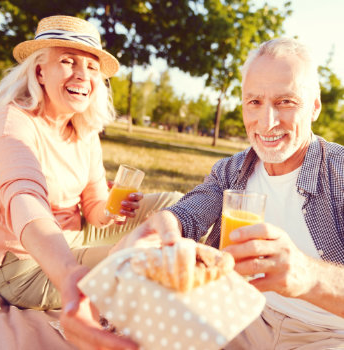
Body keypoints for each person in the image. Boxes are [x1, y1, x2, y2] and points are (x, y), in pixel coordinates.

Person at [136, 37, 344, 349]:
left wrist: (308, 277)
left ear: (314, 107)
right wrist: (167, 224)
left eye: (286, 102)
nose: (267, 122)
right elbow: (188, 214)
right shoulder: (232, 170)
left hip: (327, 335)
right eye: (255, 102)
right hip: (242, 315)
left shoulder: (339, 172)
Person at [0, 15, 182, 350]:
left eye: (92, 66)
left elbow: (94, 206)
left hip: (76, 234)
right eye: (67, 61)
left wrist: (112, 211)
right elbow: (24, 195)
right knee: (136, 262)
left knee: (176, 207)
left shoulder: (84, 129)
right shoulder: (13, 121)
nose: (82, 74)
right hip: (23, 263)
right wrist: (67, 272)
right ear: (39, 72)